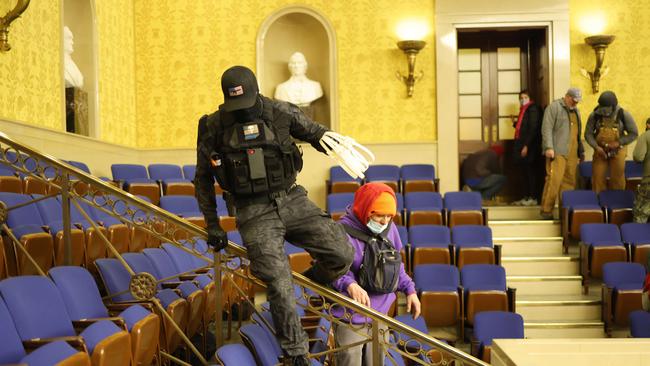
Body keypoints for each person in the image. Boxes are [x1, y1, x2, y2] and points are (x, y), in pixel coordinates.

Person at [195, 65, 353, 365]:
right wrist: (212, 223)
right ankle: (296, 355)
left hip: (292, 198)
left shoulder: (281, 111)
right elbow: (203, 177)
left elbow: (315, 132)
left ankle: (308, 284)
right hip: (253, 212)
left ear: (257, 92)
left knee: (342, 253)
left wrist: (331, 141)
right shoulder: (212, 126)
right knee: (279, 284)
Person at [331, 182, 421, 366]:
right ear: (365, 209)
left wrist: (410, 290)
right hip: (350, 314)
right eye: (380, 215)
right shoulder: (341, 232)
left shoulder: (390, 228)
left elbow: (395, 264)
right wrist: (350, 284)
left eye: (389, 216)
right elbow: (331, 269)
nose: (385, 221)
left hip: (379, 314)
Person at [539, 87, 585, 220]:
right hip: (557, 151)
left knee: (569, 182)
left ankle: (564, 214)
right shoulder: (554, 107)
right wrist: (548, 147)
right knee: (554, 180)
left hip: (572, 152)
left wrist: (580, 150)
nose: (576, 104)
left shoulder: (576, 111)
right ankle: (546, 211)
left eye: (577, 101)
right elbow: (546, 128)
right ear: (567, 97)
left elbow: (577, 133)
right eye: (574, 101)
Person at [584, 90, 638, 193]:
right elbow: (588, 134)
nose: (604, 112)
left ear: (613, 106)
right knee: (597, 178)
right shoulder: (594, 115)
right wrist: (596, 147)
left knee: (617, 178)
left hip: (618, 150)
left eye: (606, 109)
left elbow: (634, 133)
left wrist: (618, 142)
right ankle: (599, 204)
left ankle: (617, 205)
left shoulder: (624, 114)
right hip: (600, 150)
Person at [511, 90, 543, 206]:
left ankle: (533, 197)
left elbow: (533, 128)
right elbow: (524, 126)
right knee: (523, 172)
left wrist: (526, 146)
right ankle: (526, 196)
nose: (523, 99)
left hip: (529, 146)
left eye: (525, 97)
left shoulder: (532, 109)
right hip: (521, 144)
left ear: (530, 98)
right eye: (521, 97)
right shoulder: (523, 110)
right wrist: (515, 123)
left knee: (530, 172)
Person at [632, 118, 650, 223]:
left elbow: (638, 157)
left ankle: (637, 238)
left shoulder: (646, 136)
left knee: (641, 213)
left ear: (648, 125)